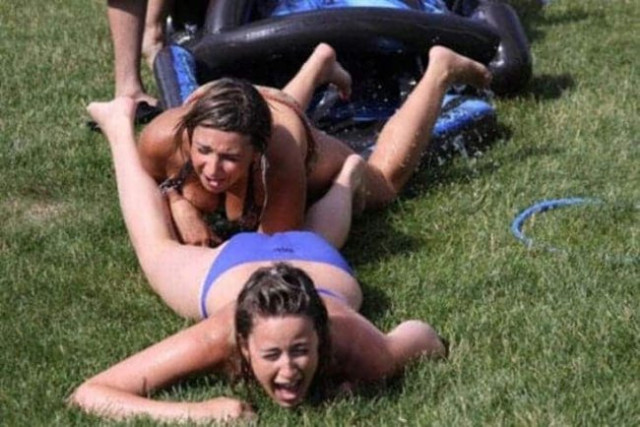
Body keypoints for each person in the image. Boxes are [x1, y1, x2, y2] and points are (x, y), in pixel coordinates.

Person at [69, 96, 447, 423]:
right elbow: (89, 393)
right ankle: (118, 127)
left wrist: (362, 378)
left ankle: (346, 181)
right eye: (271, 354)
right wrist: (197, 413)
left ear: (321, 338)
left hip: (311, 257)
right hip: (274, 260)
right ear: (244, 346)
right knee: (154, 247)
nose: (288, 370)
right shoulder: (220, 334)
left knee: (162, 245)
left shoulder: (355, 344)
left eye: (301, 350)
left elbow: (427, 338)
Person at [139, 43, 492, 246]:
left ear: (257, 151)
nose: (212, 169)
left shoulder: (281, 157)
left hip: (290, 132)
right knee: (212, 178)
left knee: (384, 183)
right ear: (190, 132)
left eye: (230, 158)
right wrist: (178, 204)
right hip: (253, 106)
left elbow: (272, 251)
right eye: (203, 151)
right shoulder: (160, 138)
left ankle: (440, 70)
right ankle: (319, 65)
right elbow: (144, 183)